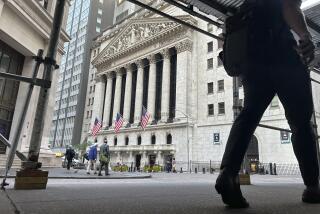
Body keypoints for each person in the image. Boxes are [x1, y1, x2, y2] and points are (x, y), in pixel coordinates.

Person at [215, 0, 319, 208]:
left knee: (249, 113)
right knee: (300, 123)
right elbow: (289, 6)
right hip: (282, 53)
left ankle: (228, 173)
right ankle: (312, 187)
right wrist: (306, 36)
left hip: (252, 57)